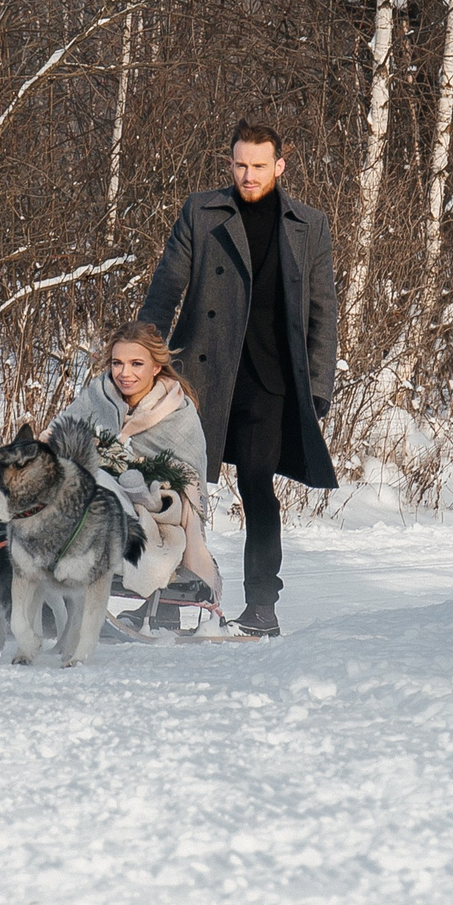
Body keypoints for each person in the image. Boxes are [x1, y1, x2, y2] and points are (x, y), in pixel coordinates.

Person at [136, 117, 337, 637]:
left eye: (259, 166)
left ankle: (262, 606)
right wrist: (141, 355)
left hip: (270, 384)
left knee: (256, 486)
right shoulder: (202, 212)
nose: (249, 175)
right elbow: (166, 286)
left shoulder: (308, 225)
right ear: (230, 163)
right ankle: (162, 597)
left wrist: (318, 388)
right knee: (171, 488)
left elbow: (322, 312)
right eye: (241, 165)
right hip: (200, 376)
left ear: (279, 166)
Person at [48, 321, 222, 629]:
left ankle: (161, 607)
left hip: (156, 510)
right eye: (117, 363)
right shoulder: (98, 396)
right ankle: (47, 602)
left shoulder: (178, 413)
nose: (124, 373)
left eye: (136, 364)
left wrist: (134, 474)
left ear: (156, 367)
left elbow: (189, 481)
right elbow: (56, 435)